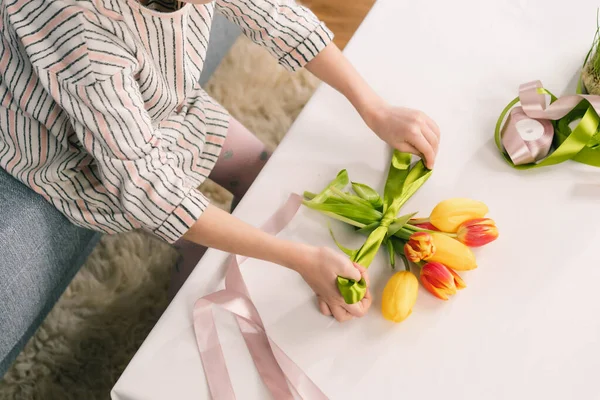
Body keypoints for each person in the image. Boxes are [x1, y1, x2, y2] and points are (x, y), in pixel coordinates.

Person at [0, 0, 440, 323]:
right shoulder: (82, 37)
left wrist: (374, 108)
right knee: (208, 260)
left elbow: (277, 17)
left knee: (267, 177)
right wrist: (300, 259)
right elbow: (148, 189)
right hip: (71, 148)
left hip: (160, 101)